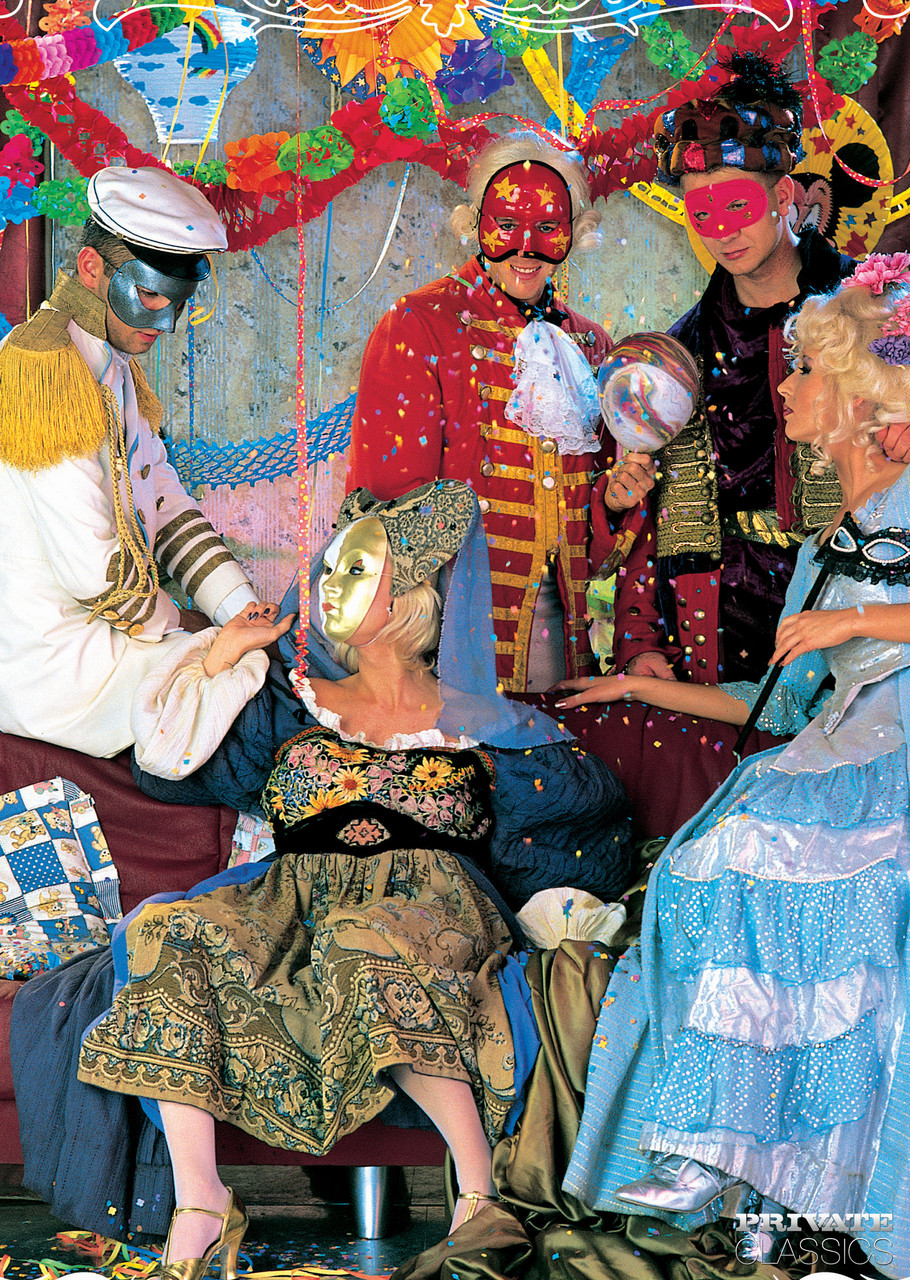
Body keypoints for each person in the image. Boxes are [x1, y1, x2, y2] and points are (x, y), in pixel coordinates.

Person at [70, 478, 587, 1273]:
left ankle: (479, 1196)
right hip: (290, 903)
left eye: (356, 570)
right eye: (330, 567)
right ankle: (201, 1202)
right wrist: (221, 655)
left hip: (429, 902)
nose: (328, 584)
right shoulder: (292, 702)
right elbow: (166, 769)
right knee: (170, 930)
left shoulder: (489, 725)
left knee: (364, 939)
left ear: (411, 596)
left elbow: (557, 839)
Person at [551, 255, 910, 1274]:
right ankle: (719, 1149)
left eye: (804, 372)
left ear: (859, 397)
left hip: (897, 757)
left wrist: (855, 620)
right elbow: (779, 701)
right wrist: (639, 690)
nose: (784, 389)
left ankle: (836, 1193)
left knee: (826, 879)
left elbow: (850, 636)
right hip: (829, 750)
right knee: (704, 864)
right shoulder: (822, 548)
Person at [347, 128, 658, 693]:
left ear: (574, 231)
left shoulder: (592, 346)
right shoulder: (420, 325)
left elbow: (594, 530)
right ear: (476, 223)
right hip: (452, 634)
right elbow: (386, 511)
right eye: (508, 225)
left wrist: (612, 501)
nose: (526, 248)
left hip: (565, 641)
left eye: (547, 228)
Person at [0, 165, 265, 757]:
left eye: (179, 302)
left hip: (111, 642)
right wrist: (186, 625)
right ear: (92, 268)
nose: (165, 323)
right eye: (149, 295)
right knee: (249, 699)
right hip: (59, 673)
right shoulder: (43, 368)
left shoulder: (110, 364)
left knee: (256, 666)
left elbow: (163, 502)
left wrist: (240, 609)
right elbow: (93, 573)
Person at [615, 52, 858, 686]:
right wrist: (640, 642)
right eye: (702, 215)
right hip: (716, 613)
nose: (722, 232)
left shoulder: (873, 314)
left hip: (851, 599)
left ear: (783, 196)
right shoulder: (679, 353)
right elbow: (654, 510)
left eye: (738, 207)